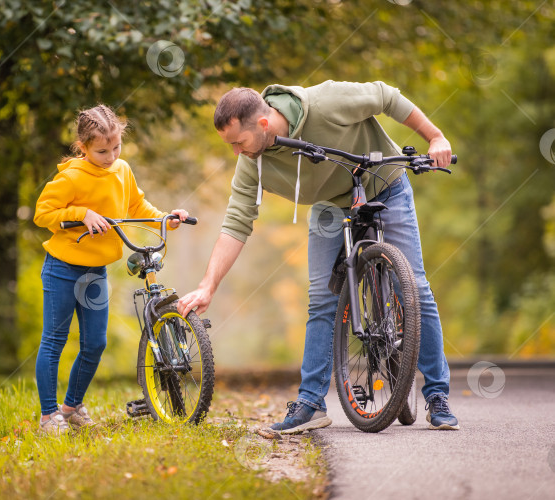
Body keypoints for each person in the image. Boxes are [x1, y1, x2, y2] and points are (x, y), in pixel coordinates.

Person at [177, 81, 460, 432]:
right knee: (321, 300)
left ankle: (437, 396)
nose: (236, 152)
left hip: (383, 182)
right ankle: (311, 403)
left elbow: (387, 97)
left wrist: (435, 137)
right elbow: (236, 223)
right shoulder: (253, 160)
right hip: (329, 207)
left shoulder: (325, 102)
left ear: (263, 125)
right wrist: (209, 286)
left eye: (238, 142)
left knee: (414, 286)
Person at [33, 104, 188, 435]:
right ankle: (48, 416)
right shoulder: (71, 175)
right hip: (61, 268)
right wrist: (81, 212)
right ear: (83, 147)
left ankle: (72, 407)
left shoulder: (122, 170)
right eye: (102, 150)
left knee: (95, 344)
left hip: (95, 273)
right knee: (54, 340)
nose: (110, 155)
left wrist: (165, 219)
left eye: (116, 147)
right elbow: (43, 213)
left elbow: (137, 206)